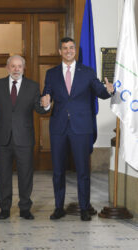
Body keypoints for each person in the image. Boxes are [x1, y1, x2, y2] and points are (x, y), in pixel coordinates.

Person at [41, 37, 114, 221]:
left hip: (81, 128)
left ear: (76, 51)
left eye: (71, 48)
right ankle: (59, 207)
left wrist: (108, 91)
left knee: (82, 170)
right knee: (58, 171)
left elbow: (100, 91)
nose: (68, 51)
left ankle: (84, 208)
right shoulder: (51, 73)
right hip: (58, 128)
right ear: (60, 51)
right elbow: (46, 95)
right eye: (64, 48)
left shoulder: (87, 72)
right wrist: (46, 103)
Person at [0, 55, 49, 220]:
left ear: (24, 68)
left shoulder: (32, 86)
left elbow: (39, 109)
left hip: (24, 137)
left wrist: (45, 105)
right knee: (4, 175)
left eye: (19, 66)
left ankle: (25, 208)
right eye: (13, 66)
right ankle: (4, 208)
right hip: (4, 138)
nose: (16, 69)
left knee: (25, 175)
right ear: (7, 67)